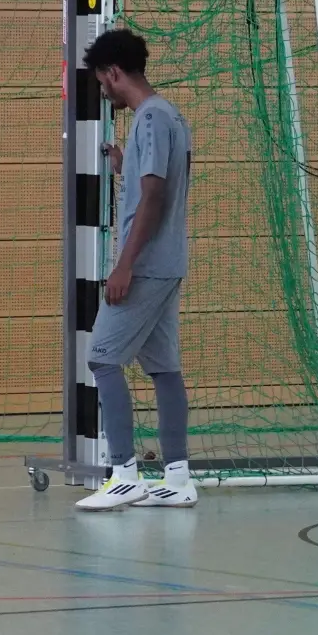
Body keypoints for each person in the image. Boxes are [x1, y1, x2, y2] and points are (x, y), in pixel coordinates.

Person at [75, 28, 196, 511]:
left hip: (145, 267)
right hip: (169, 263)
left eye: (102, 82)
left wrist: (124, 265)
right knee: (164, 369)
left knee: (102, 358)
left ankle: (124, 472)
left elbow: (155, 195)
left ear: (114, 73)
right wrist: (125, 167)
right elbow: (157, 182)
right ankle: (178, 476)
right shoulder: (171, 116)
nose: (103, 92)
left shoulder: (148, 119)